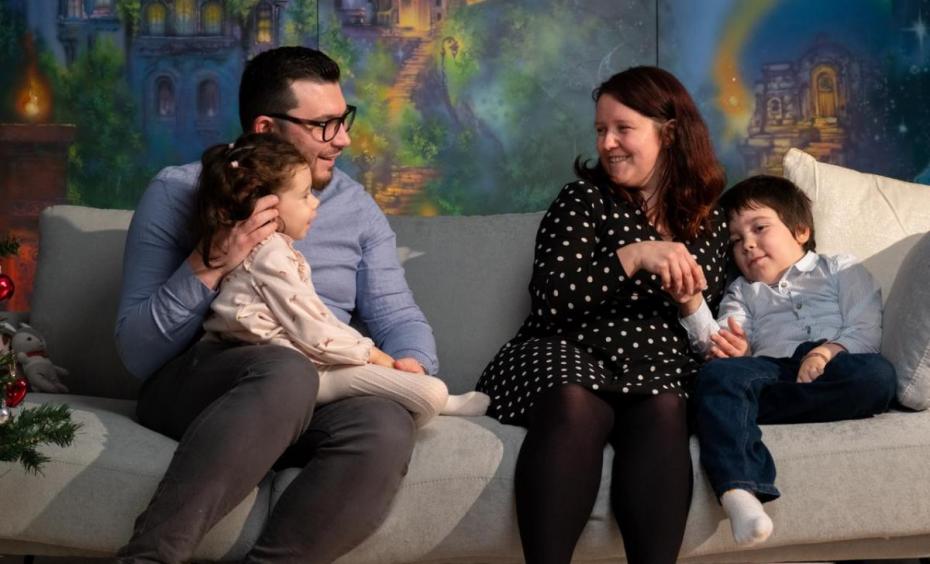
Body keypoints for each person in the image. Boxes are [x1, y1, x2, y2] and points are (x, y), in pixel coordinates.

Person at [115, 47, 439, 563]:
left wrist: (410, 368)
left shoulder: (355, 206)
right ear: (266, 129)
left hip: (319, 385)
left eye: (345, 119)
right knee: (287, 371)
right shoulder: (179, 192)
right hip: (207, 383)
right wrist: (210, 262)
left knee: (385, 425)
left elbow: (398, 316)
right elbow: (137, 354)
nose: (344, 139)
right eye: (325, 125)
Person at [475, 66, 730, 564]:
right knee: (574, 401)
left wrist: (712, 327)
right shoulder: (583, 200)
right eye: (600, 130)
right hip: (566, 351)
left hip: (656, 366)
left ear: (668, 133)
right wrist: (633, 256)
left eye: (622, 129)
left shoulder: (711, 220)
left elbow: (708, 320)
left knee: (664, 409)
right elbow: (551, 300)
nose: (607, 143)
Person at [197, 133, 489, 425]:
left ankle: (420, 397)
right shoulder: (270, 256)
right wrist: (373, 355)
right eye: (304, 195)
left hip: (302, 362)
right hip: (292, 370)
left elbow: (328, 317)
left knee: (408, 389)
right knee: (431, 392)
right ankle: (433, 401)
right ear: (265, 205)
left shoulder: (277, 251)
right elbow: (313, 329)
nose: (315, 204)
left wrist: (380, 357)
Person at [674, 175, 897, 547]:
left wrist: (824, 352)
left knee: (878, 375)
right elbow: (722, 341)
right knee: (718, 376)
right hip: (771, 370)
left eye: (759, 228)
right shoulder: (742, 291)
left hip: (834, 366)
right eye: (735, 240)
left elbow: (865, 327)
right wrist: (693, 306)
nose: (747, 244)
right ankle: (739, 490)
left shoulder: (838, 268)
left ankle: (738, 409)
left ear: (801, 230)